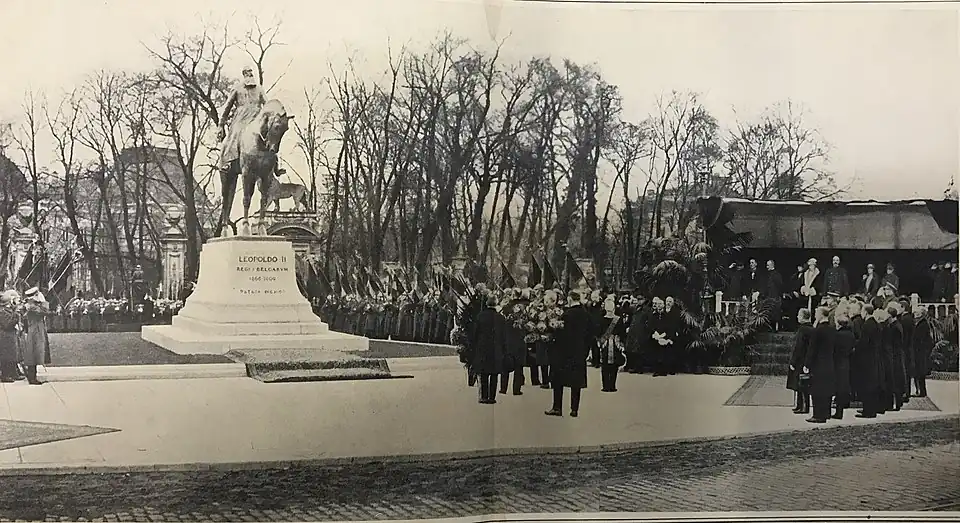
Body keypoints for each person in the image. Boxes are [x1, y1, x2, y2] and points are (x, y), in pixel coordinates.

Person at [218, 66, 283, 177]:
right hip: (241, 118)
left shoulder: (259, 89)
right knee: (234, 135)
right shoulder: (237, 88)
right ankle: (228, 161)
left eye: (251, 72)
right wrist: (221, 124)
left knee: (270, 135)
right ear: (243, 74)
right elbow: (227, 106)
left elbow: (267, 104)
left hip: (256, 118)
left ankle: (275, 164)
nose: (250, 74)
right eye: (248, 72)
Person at [545, 291, 593, 418]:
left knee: (558, 381)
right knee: (576, 382)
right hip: (579, 353)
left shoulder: (566, 315)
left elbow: (561, 334)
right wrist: (586, 351)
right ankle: (574, 409)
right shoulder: (586, 315)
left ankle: (557, 407)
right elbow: (590, 335)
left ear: (570, 299)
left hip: (563, 353)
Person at [468, 296, 505, 404]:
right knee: (494, 374)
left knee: (483, 373)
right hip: (496, 348)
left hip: (483, 347)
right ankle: (492, 396)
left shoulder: (480, 316)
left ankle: (484, 396)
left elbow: (475, 332)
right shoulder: (501, 318)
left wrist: (474, 345)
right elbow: (503, 335)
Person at [803, 306, 836, 423]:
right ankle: (826, 413)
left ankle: (818, 415)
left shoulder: (817, 330)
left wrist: (807, 364)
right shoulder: (832, 329)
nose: (815, 314)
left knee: (817, 390)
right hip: (830, 362)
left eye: (817, 313)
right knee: (826, 390)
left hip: (818, 364)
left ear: (821, 315)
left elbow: (812, 349)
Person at [20, 287, 55, 385]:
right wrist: (43, 301)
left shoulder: (31, 305)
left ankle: (33, 376)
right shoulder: (31, 306)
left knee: (35, 353)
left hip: (36, 330)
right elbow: (46, 311)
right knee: (33, 354)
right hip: (35, 331)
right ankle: (32, 377)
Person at [855, 304, 883, 418]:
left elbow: (864, 342)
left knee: (867, 384)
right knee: (871, 384)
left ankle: (868, 410)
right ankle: (870, 408)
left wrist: (856, 347)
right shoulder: (875, 324)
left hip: (867, 358)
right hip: (874, 356)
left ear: (865, 312)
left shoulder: (867, 325)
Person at [787, 308, 814, 414]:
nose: (797, 317)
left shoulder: (803, 330)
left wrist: (793, 361)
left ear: (803, 317)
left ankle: (802, 406)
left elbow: (798, 347)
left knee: (800, 384)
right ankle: (800, 405)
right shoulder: (811, 329)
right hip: (805, 359)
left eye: (799, 315)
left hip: (800, 360)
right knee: (802, 384)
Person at [597, 297, 625, 392]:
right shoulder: (601, 319)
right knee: (607, 365)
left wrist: (620, 342)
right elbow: (598, 333)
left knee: (611, 365)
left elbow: (622, 332)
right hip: (607, 343)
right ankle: (608, 385)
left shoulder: (616, 320)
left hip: (613, 343)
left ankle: (609, 385)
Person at [832, 311, 856, 419]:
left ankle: (838, 411)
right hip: (847, 361)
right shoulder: (851, 335)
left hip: (838, 362)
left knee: (838, 387)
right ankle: (840, 409)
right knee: (843, 386)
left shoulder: (837, 335)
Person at [883, 302, 906, 412]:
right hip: (896, 355)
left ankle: (895, 404)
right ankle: (896, 403)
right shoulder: (895, 325)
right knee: (896, 380)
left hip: (895, 356)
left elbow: (894, 343)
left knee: (895, 380)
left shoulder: (894, 327)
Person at [911, 306, 934, 398]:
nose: (915, 314)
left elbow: (921, 339)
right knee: (919, 373)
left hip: (920, 352)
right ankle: (920, 390)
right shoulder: (921, 323)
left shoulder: (923, 324)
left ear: (922, 314)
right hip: (920, 351)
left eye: (917, 312)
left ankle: (921, 391)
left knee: (920, 373)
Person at [0, 291, 21, 383]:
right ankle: (5, 375)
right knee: (6, 356)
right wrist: (16, 316)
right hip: (5, 336)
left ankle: (13, 373)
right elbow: (7, 325)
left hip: (9, 336)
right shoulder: (3, 311)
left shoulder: (8, 310)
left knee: (12, 355)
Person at [764, 260, 784, 330]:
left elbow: (780, 285)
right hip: (769, 296)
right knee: (769, 312)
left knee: (775, 312)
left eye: (768, 265)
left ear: (772, 265)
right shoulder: (768, 274)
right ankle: (770, 327)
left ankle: (776, 328)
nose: (767, 267)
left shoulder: (776, 274)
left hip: (775, 296)